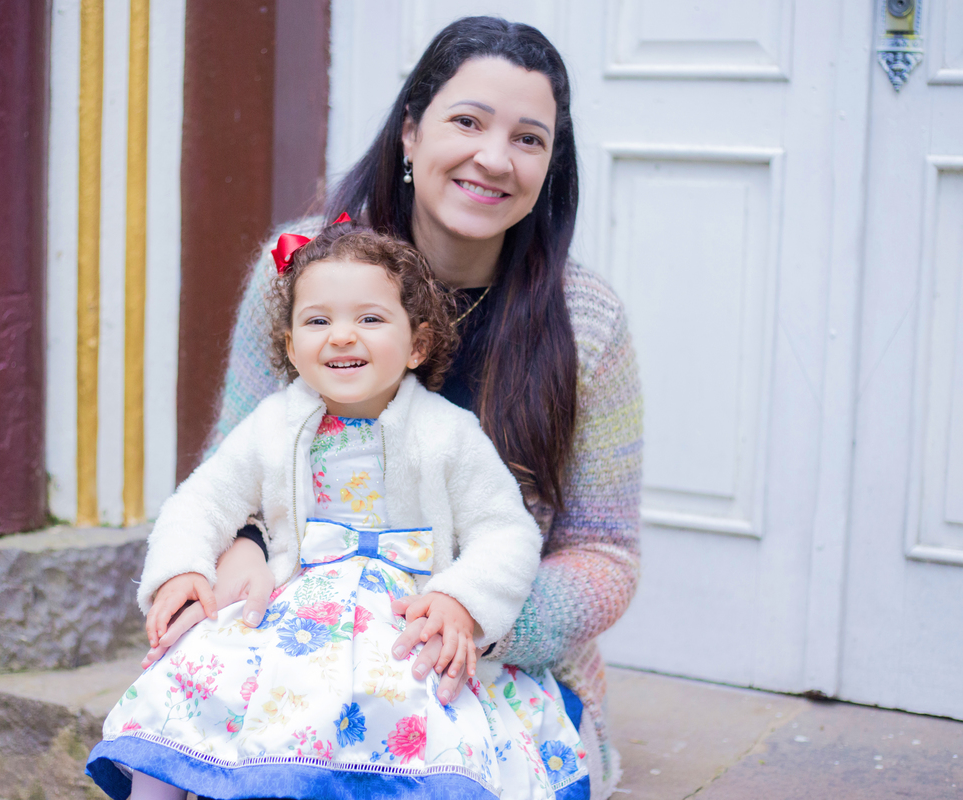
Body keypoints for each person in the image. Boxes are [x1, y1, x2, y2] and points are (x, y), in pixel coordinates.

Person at [140, 16, 642, 800]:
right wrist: (234, 549)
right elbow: (228, 470)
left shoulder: (586, 321)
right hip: (297, 645)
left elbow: (605, 553)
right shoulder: (304, 271)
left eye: (529, 138)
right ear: (410, 132)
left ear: (551, 165)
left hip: (475, 661)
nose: (493, 157)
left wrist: (466, 622)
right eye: (467, 121)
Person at [86, 222, 589, 800]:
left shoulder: (450, 434)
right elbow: (203, 499)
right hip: (293, 611)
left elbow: (505, 530)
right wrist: (183, 568)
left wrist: (462, 600)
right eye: (318, 320)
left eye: (370, 319)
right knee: (190, 668)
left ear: (417, 344)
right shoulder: (273, 424)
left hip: (399, 619)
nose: (342, 336)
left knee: (411, 703)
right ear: (291, 344)